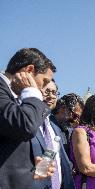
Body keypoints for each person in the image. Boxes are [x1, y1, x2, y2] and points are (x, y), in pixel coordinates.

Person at [0, 48, 56, 189]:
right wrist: (31, 92)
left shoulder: (19, 99)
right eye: (44, 82)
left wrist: (32, 163)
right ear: (30, 70)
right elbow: (26, 126)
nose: (43, 90)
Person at [31, 80, 75, 189]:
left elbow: (49, 155)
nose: (51, 96)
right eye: (47, 92)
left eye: (54, 93)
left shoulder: (54, 128)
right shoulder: (27, 122)